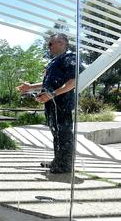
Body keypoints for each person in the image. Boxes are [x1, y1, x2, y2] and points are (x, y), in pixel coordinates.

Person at [17, 33, 80, 174]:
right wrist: (30, 87)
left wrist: (52, 94)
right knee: (56, 133)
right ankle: (57, 160)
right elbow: (48, 83)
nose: (48, 46)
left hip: (62, 103)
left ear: (61, 43)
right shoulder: (54, 61)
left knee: (63, 133)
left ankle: (65, 165)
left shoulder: (69, 57)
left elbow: (73, 82)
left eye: (51, 44)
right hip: (51, 103)